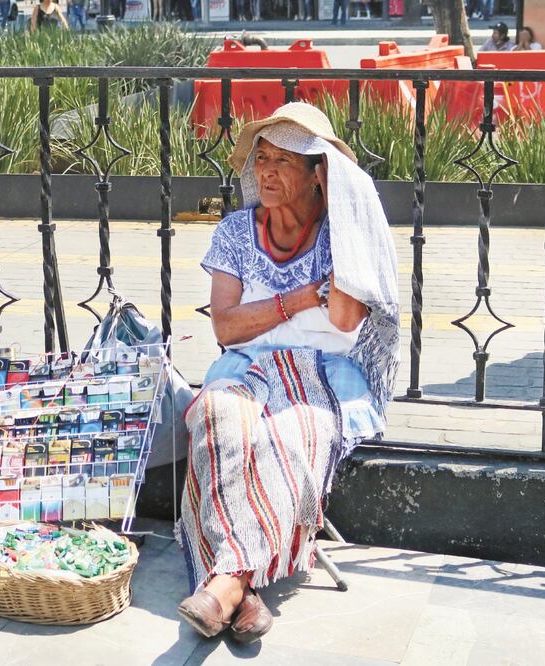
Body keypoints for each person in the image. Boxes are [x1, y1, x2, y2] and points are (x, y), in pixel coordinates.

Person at [176, 102, 399, 643]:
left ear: (317, 173)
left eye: (285, 161)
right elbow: (227, 329)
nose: (268, 171)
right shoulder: (234, 232)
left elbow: (344, 318)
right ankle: (240, 585)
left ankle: (226, 584)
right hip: (246, 365)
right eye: (263, 158)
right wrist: (299, 298)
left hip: (323, 374)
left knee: (287, 436)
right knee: (213, 414)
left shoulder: (342, 234)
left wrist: (346, 230)